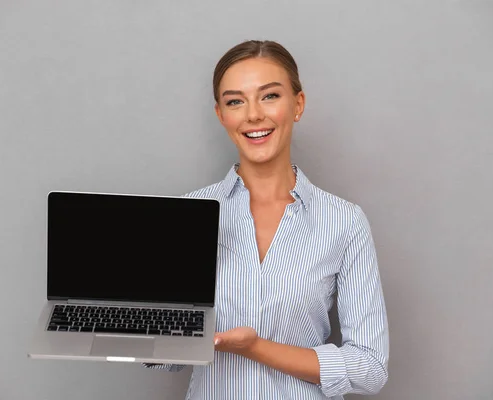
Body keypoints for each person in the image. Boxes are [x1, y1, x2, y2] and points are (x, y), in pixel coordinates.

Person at [145, 39, 389, 399]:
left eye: (270, 96)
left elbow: (370, 368)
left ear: (298, 105)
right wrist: (138, 310)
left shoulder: (344, 222)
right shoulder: (187, 214)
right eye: (235, 101)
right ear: (221, 115)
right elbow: (166, 361)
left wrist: (256, 347)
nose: (253, 115)